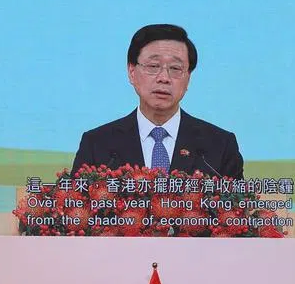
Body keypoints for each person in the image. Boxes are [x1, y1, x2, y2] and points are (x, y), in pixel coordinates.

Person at [71, 24, 244, 179]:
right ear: (132, 71)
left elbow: (236, 204)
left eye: (175, 68)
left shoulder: (220, 145)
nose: (164, 78)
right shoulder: (96, 144)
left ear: (188, 78)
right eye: (153, 66)